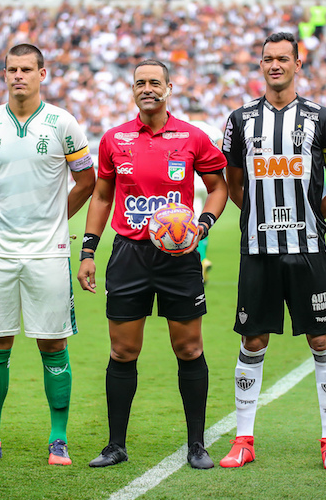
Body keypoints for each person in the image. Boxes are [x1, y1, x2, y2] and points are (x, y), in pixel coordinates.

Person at [78, 59, 228, 469]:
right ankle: (115, 446)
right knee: (123, 350)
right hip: (129, 255)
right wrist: (88, 251)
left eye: (155, 82)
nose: (147, 88)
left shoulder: (193, 137)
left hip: (179, 257)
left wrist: (203, 224)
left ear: (169, 88)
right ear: (133, 90)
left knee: (189, 347)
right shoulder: (115, 139)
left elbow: (218, 187)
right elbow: (102, 197)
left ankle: (196, 445)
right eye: (140, 83)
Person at [220, 32, 326, 471]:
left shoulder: (322, 118)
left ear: (298, 63)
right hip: (258, 250)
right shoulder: (239, 120)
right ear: (260, 65)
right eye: (267, 59)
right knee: (253, 340)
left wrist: (309, 217)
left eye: (283, 58)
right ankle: (243, 440)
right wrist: (262, 218)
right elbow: (234, 186)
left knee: (321, 339)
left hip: (308, 249)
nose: (275, 65)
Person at [0, 44, 95, 466]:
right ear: (4, 74)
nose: (18, 75)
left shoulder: (63, 123)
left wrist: (56, 218)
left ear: (42, 73)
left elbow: (87, 181)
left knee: (52, 343)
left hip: (48, 252)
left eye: (26, 69)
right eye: (12, 69)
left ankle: (58, 439)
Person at [186, 110, 224, 284]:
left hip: (190, 181)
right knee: (203, 221)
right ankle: (203, 256)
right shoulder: (213, 129)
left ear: (189, 114)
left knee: (192, 223)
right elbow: (222, 153)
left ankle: (200, 259)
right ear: (203, 114)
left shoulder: (184, 128)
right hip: (209, 180)